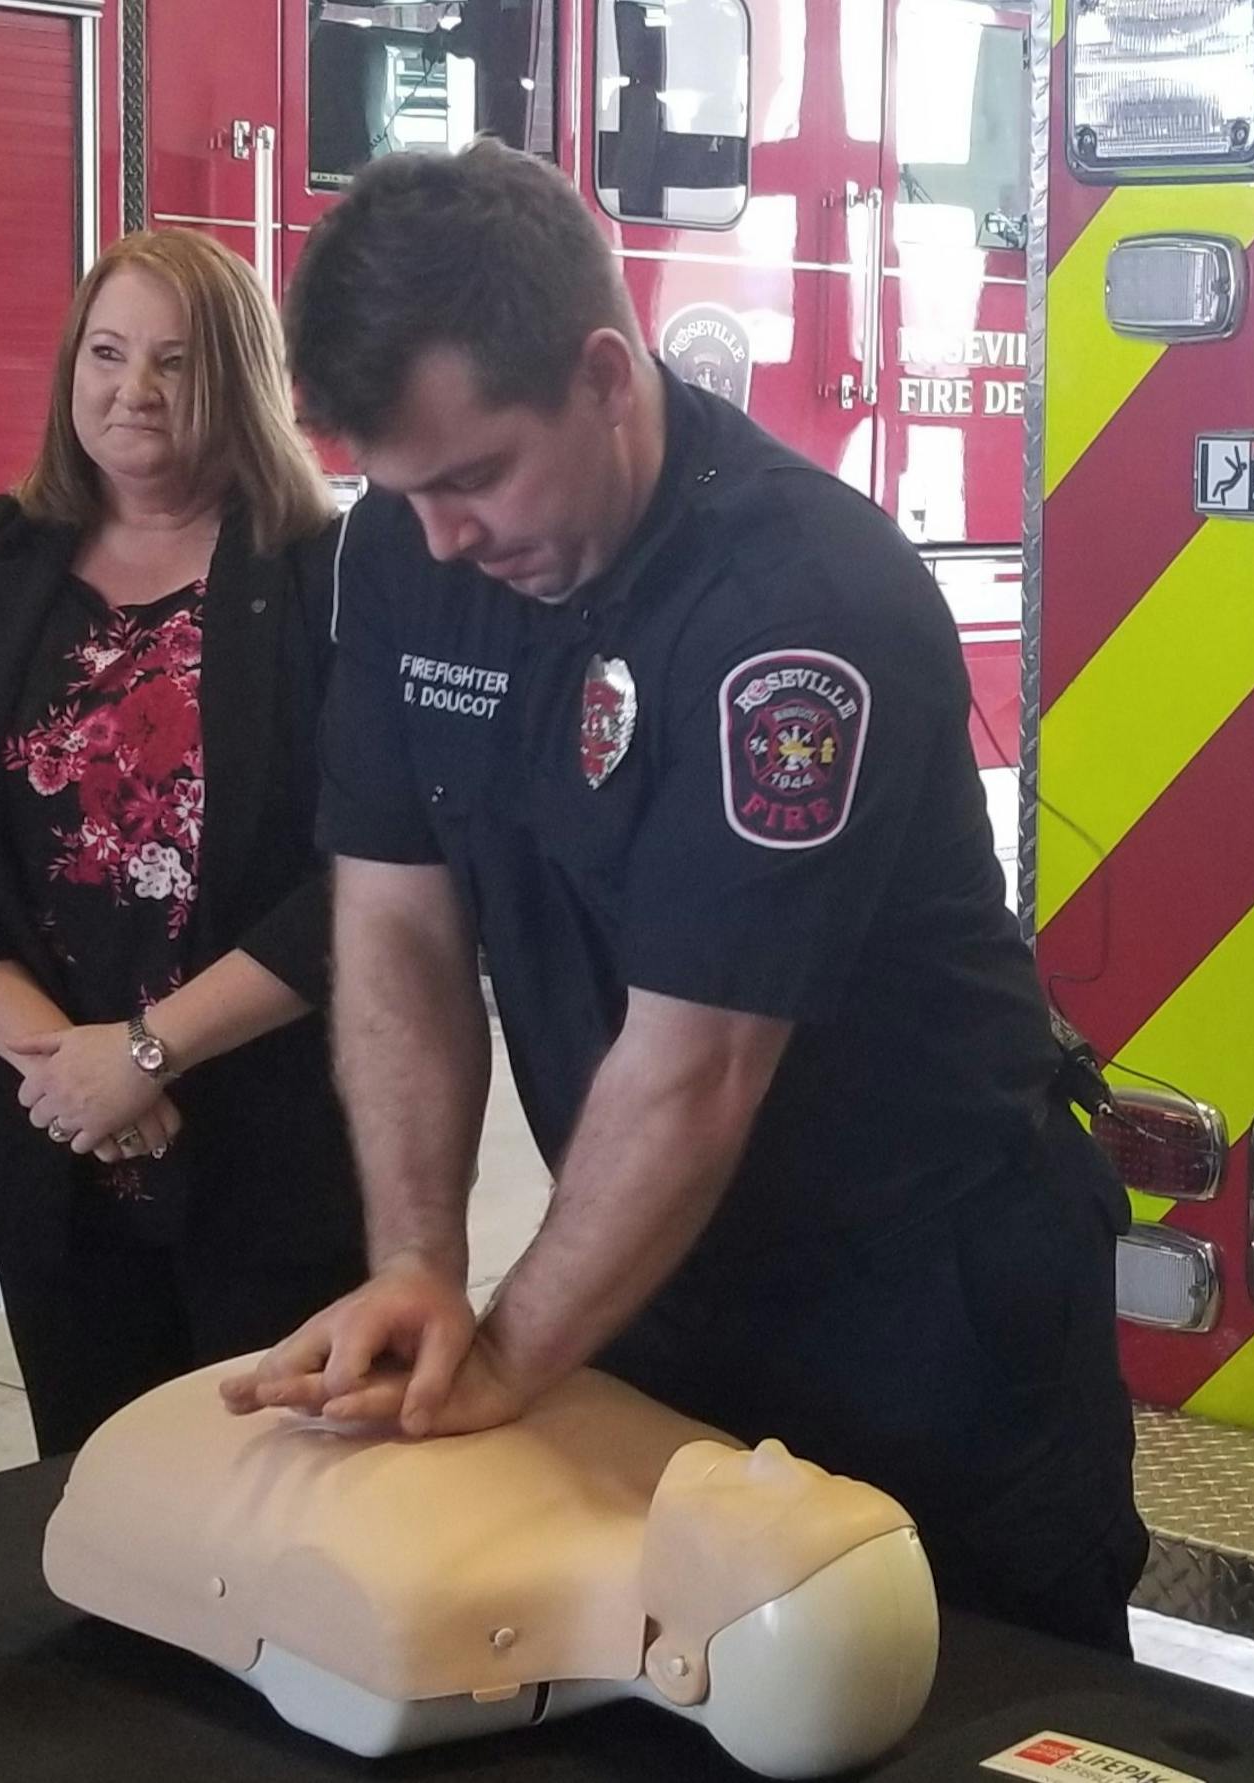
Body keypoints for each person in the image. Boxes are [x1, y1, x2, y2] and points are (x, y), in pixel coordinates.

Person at [222, 141, 1146, 1650]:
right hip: (652, 1269)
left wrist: (511, 1351)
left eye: (474, 474)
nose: (444, 534)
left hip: (919, 1303)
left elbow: (700, 1060)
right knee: (682, 1683)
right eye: (401, 487)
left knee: (967, 1703)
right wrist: (416, 1260)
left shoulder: (794, 606)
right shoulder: (406, 548)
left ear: (603, 373)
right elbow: (395, 923)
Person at [0, 229, 364, 1457]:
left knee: (276, 1505)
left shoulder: (330, 574)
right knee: (94, 1500)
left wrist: (150, 1052)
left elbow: (372, 874)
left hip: (262, 1144)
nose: (132, 390)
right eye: (107, 352)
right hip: (53, 1140)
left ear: (238, 379)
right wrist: (72, 1071)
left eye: (174, 362)